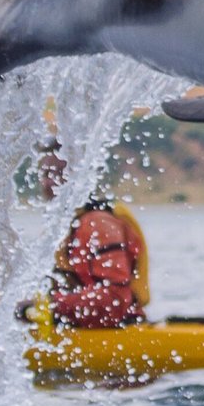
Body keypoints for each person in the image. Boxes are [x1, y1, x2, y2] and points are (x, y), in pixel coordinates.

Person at [20, 138, 150, 329]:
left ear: (79, 177)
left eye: (59, 174)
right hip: (79, 327)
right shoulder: (62, 229)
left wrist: (52, 306)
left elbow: (116, 300)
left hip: (119, 332)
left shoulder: (99, 225)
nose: (50, 183)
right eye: (46, 174)